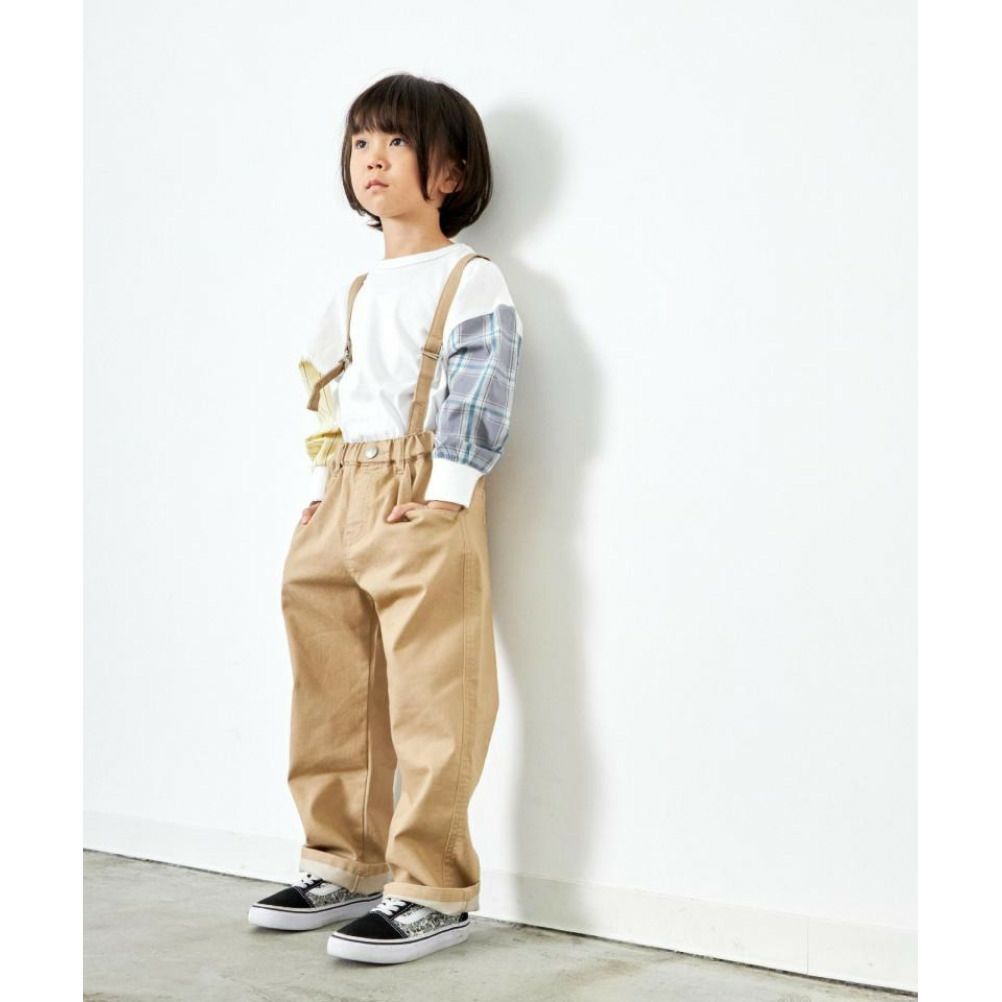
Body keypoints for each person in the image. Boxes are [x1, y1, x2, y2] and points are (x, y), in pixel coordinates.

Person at [247, 72, 523, 966]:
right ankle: (341, 861)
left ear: (450, 173)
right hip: (344, 492)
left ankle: (432, 887)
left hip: (422, 486)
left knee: (435, 692)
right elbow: (327, 390)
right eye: (361, 141)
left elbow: (483, 381)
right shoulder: (359, 288)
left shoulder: (470, 278)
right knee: (330, 685)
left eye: (397, 141)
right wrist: (322, 484)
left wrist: (449, 488)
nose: (373, 157)